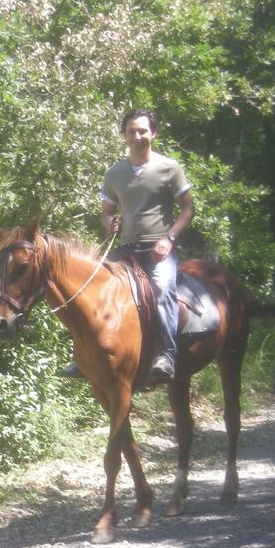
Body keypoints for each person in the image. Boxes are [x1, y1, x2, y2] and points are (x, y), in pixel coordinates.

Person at [62, 108, 194, 383]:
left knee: (162, 290)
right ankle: (82, 357)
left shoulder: (169, 168)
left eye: (143, 131)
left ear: (153, 134)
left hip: (159, 250)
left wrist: (168, 239)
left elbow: (187, 209)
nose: (138, 136)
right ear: (125, 135)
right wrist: (108, 221)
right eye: (132, 131)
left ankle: (167, 356)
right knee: (90, 289)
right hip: (126, 249)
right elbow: (107, 211)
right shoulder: (114, 174)